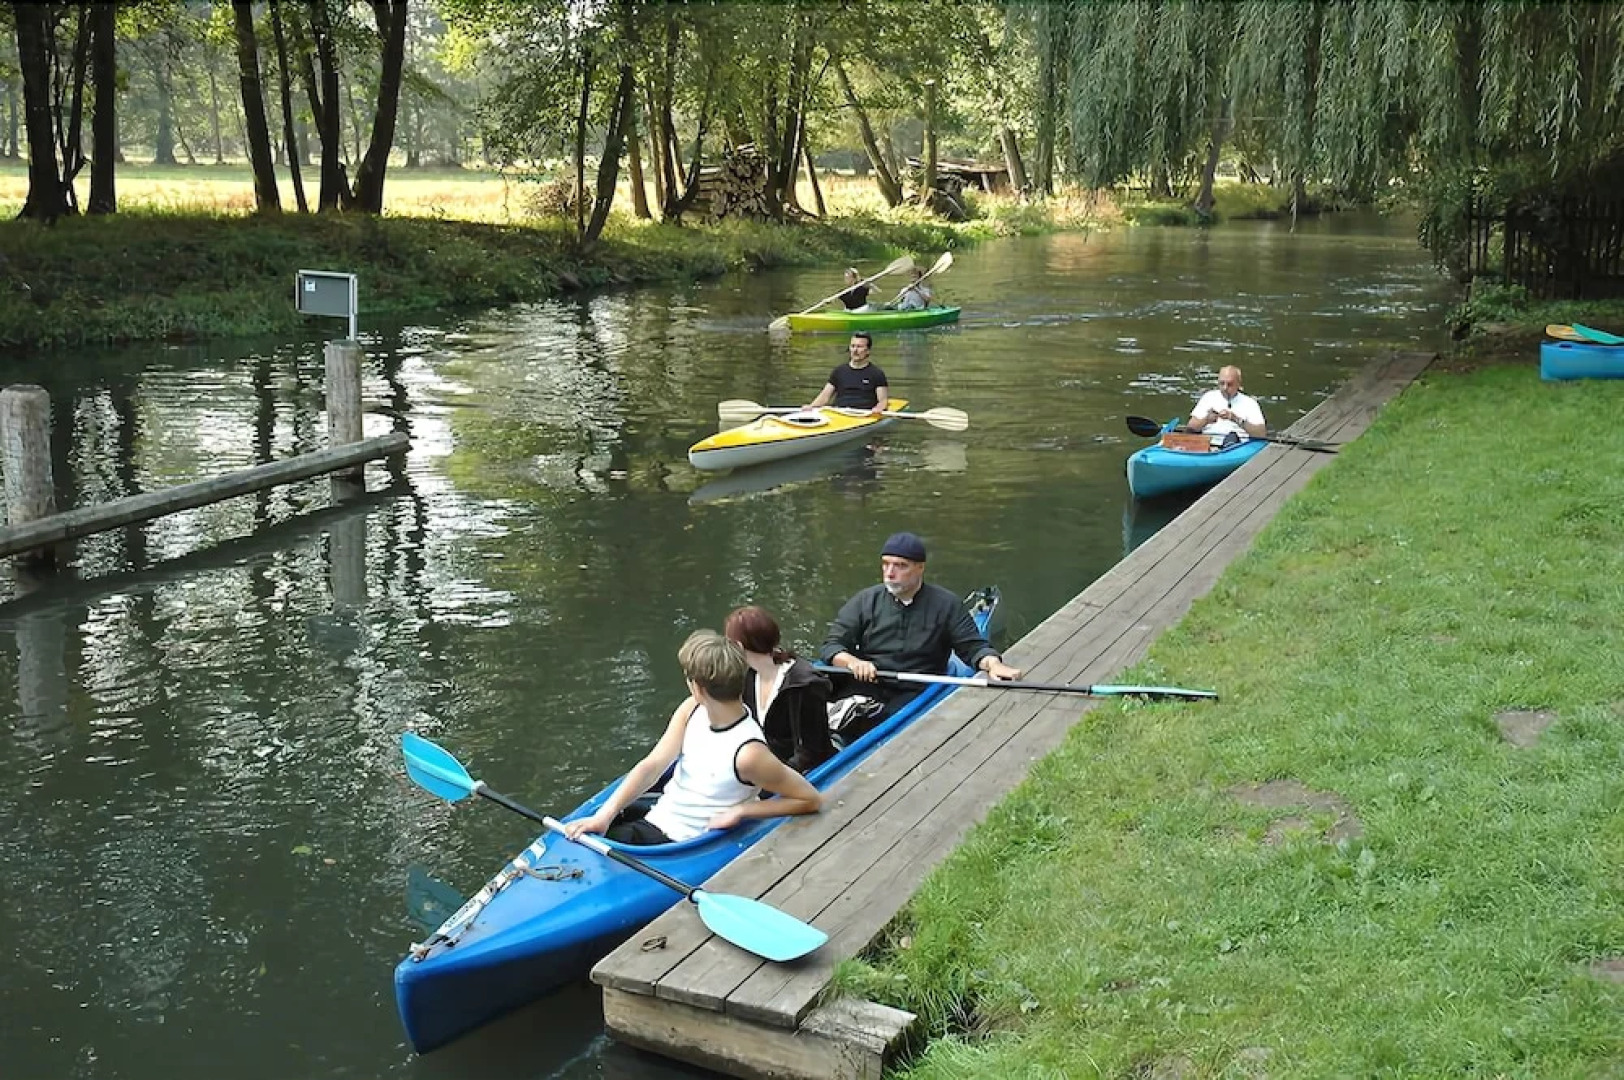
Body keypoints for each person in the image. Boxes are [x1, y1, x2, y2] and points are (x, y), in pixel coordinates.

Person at [565, 631, 822, 846]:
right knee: (610, 831)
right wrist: (604, 816)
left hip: (680, 842)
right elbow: (653, 765)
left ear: (698, 687)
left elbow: (809, 798)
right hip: (656, 820)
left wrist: (743, 810)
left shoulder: (748, 753)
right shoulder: (691, 709)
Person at [820, 532, 1021, 734]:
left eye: (900, 566)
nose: (889, 573)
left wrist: (994, 664)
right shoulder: (865, 601)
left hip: (915, 687)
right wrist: (852, 663)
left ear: (920, 568)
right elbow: (832, 645)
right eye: (886, 564)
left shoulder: (946, 605)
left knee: (878, 722)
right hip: (869, 682)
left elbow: (973, 648)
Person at [725, 605, 835, 773]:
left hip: (796, 774)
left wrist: (769, 778)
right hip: (763, 765)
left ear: (739, 646)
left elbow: (811, 751)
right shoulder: (749, 677)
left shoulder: (805, 685)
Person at [805, 332, 889, 414]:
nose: (855, 350)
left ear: (868, 350)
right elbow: (824, 396)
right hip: (840, 413)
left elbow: (883, 401)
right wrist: (811, 407)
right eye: (853, 346)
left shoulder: (876, 374)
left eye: (859, 347)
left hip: (863, 414)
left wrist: (878, 408)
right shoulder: (839, 371)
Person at [1188, 365, 1266, 440]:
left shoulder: (1250, 403)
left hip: (1238, 445)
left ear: (1238, 384)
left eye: (1230, 384)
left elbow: (1261, 434)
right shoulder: (1208, 397)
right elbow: (1191, 427)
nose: (1225, 388)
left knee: (1232, 437)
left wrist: (1236, 419)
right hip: (1209, 443)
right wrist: (1206, 420)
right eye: (1222, 383)